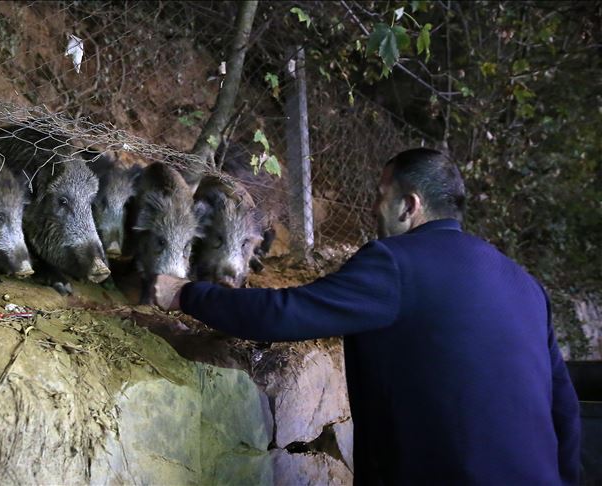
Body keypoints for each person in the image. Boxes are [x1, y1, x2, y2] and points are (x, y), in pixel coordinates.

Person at [153, 148, 581, 485]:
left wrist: (185, 293)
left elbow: (287, 314)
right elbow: (564, 406)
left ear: (408, 205)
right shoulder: (524, 284)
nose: (375, 208)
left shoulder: (397, 264)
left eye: (381, 196)